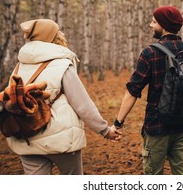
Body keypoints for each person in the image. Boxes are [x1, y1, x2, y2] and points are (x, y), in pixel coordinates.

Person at [6, 19, 121, 175]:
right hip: (61, 139)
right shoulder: (62, 64)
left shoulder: (19, 66)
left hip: (27, 136)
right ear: (52, 36)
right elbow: (82, 104)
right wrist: (105, 130)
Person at [114, 6, 183, 175]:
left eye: (154, 22)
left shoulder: (150, 53)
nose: (150, 25)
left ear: (163, 25)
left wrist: (118, 122)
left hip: (157, 128)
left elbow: (133, 91)